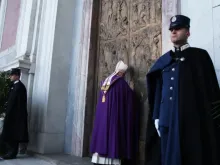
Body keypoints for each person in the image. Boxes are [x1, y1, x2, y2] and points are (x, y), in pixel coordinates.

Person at [145, 15, 220, 165]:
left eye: (178, 28)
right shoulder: (164, 61)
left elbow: (211, 90)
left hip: (191, 121)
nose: (173, 31)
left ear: (188, 32)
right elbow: (159, 89)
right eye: (171, 29)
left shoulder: (200, 57)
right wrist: (157, 117)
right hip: (166, 121)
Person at [90, 61, 139, 165]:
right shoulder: (121, 83)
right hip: (114, 117)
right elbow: (131, 98)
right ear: (122, 73)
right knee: (113, 135)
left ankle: (97, 159)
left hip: (103, 117)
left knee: (102, 133)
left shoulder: (106, 81)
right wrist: (133, 91)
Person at [0, 68, 28, 160]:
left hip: (15, 117)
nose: (10, 77)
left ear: (17, 75)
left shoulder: (20, 87)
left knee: (14, 135)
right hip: (11, 115)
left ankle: (12, 153)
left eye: (11, 75)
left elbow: (19, 104)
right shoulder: (14, 86)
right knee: (9, 134)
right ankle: (7, 152)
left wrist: (16, 117)